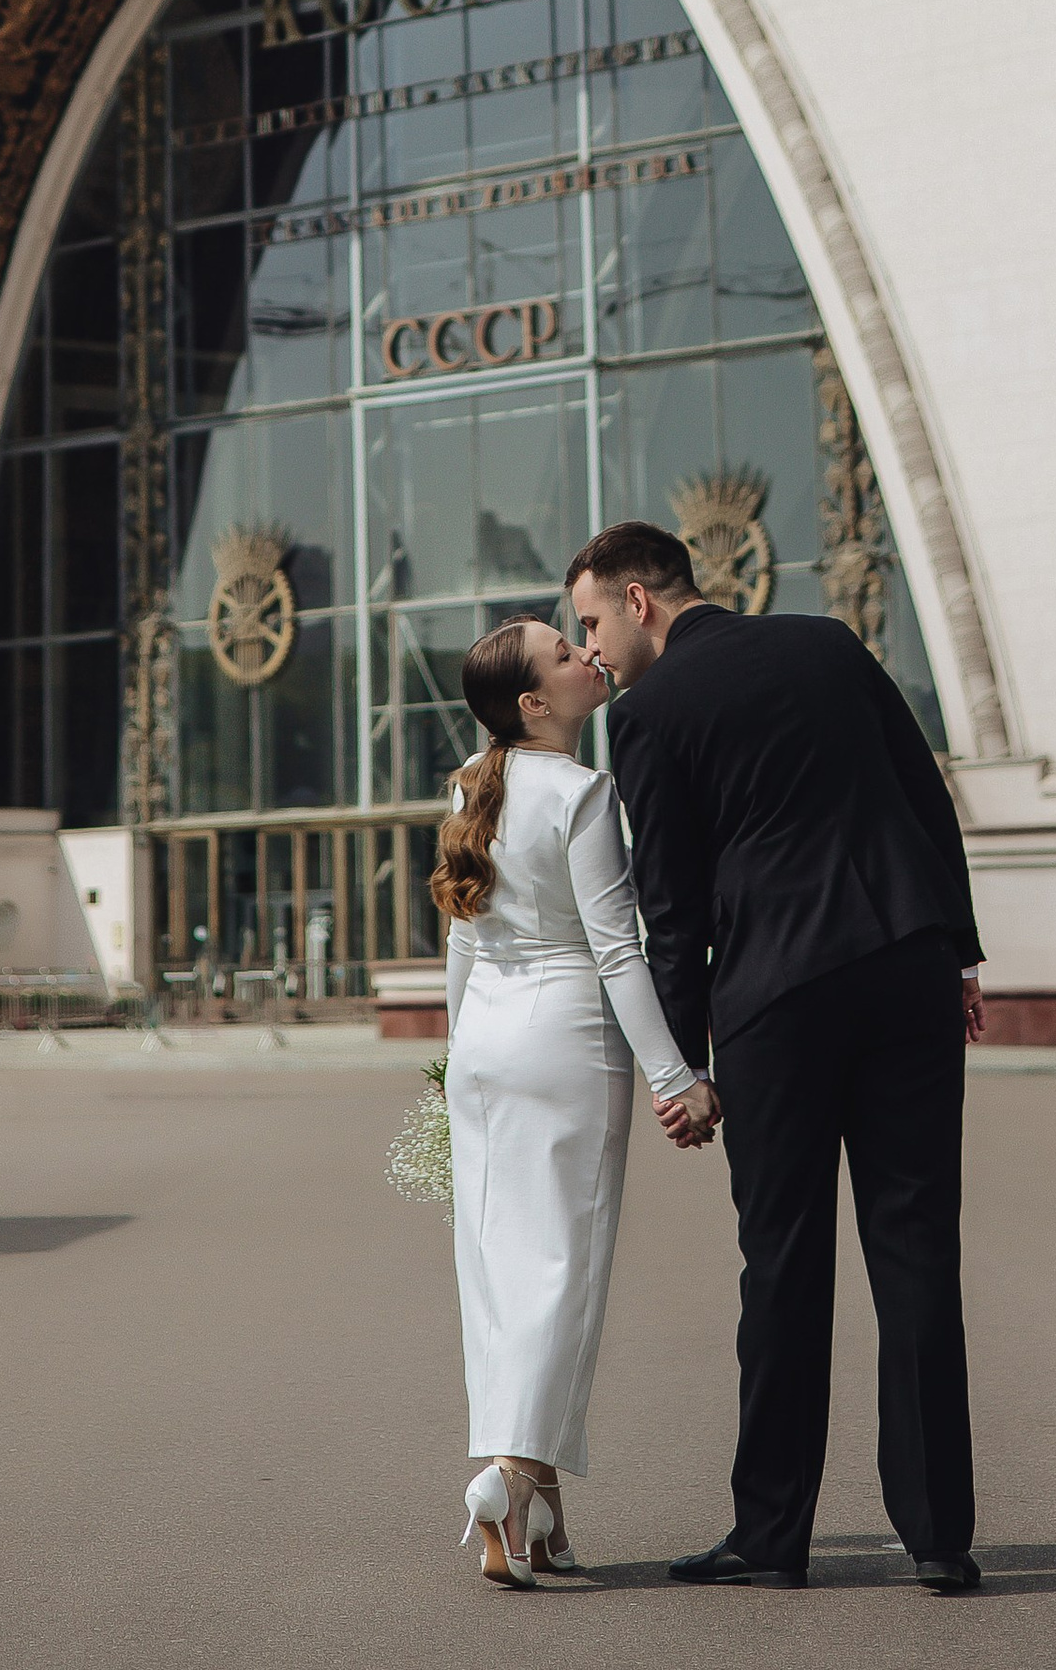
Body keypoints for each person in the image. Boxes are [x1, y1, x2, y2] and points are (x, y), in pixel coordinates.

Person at [567, 519, 987, 1598]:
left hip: (777, 1000)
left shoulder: (649, 713)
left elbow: (671, 907)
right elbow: (924, 795)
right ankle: (938, 1536)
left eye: (592, 622)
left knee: (785, 1265)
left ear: (638, 599)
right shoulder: (828, 642)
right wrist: (958, 952)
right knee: (917, 1250)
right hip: (905, 969)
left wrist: (681, 1069)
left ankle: (772, 1534)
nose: (593, 650)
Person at [435, 613, 718, 1587]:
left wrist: (452, 1061)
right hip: (565, 1042)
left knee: (498, 1271)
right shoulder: (583, 792)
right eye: (564, 654)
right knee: (562, 1270)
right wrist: (676, 1075)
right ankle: (511, 1479)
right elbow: (615, 952)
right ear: (533, 702)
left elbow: (461, 941)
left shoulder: (469, 785)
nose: (586, 655)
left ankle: (541, 1508)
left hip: (483, 1047)